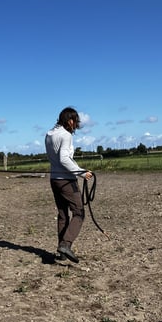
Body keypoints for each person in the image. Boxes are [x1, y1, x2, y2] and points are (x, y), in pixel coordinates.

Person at [44, 107, 93, 263]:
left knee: (63, 214)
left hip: (54, 179)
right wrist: (81, 172)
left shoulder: (49, 134)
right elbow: (64, 159)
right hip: (66, 180)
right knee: (79, 213)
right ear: (70, 120)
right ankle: (66, 244)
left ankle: (61, 251)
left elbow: (57, 159)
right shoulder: (65, 135)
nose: (76, 125)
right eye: (75, 121)